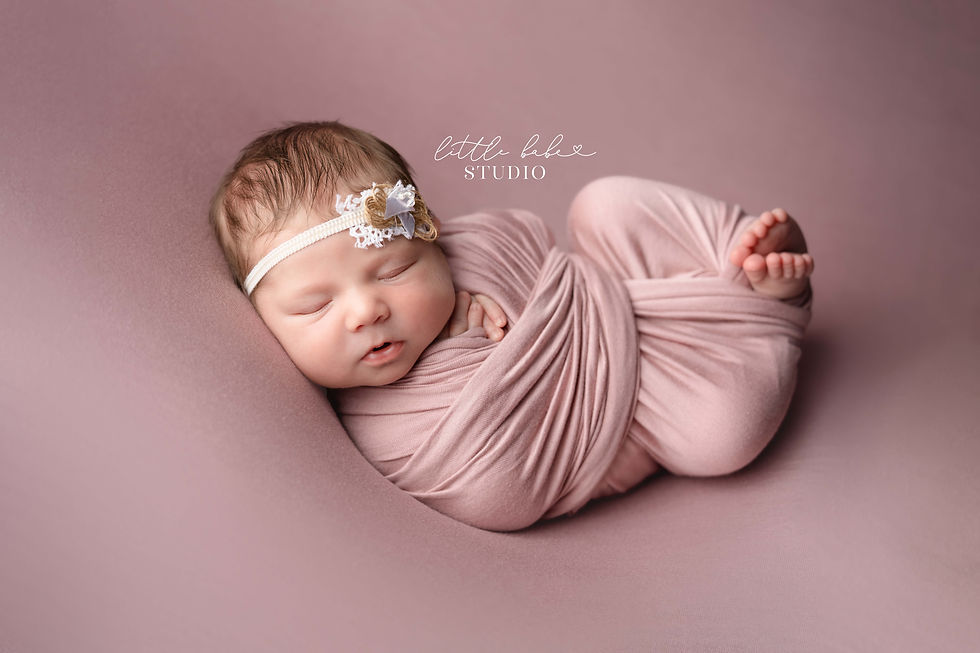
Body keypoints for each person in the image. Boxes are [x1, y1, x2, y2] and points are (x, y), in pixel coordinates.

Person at [209, 120, 814, 531]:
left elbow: (526, 245)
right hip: (652, 420)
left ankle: (737, 260)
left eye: (393, 269)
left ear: (434, 239)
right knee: (723, 436)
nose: (365, 310)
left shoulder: (472, 252)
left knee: (604, 205)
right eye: (315, 306)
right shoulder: (383, 425)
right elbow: (500, 494)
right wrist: (469, 352)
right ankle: (759, 309)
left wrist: (490, 292)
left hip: (621, 304)